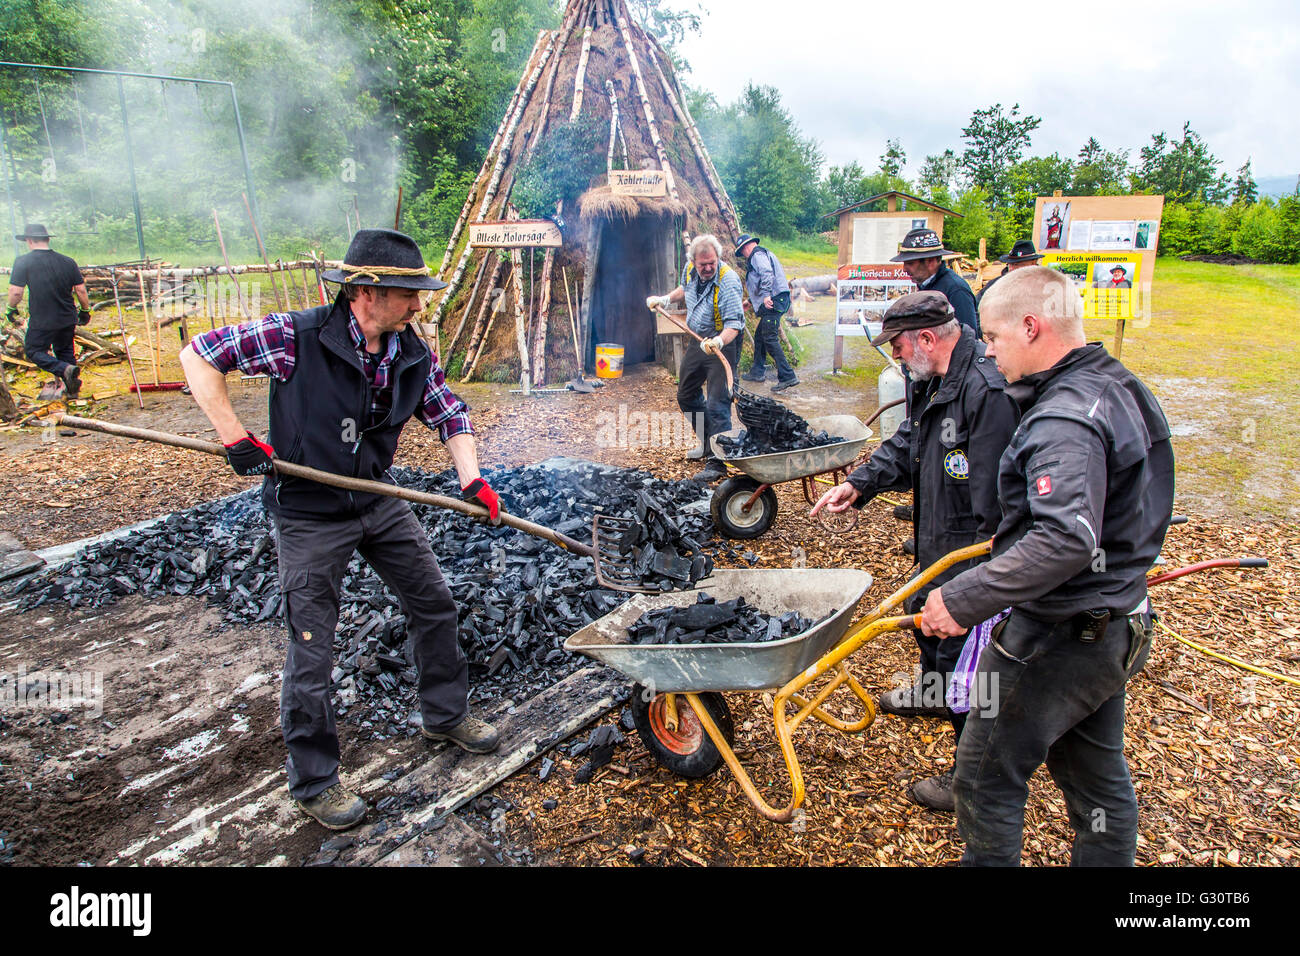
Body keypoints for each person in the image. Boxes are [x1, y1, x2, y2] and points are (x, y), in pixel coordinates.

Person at [179, 228, 502, 831]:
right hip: (308, 511)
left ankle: (444, 715)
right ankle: (315, 781)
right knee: (312, 646)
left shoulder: (409, 349)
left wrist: (472, 480)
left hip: (377, 502)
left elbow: (450, 412)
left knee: (433, 603)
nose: (419, 306)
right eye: (410, 295)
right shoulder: (294, 337)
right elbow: (198, 353)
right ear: (367, 291)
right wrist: (231, 432)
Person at [919, 266, 1174, 866]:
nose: (988, 350)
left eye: (996, 337)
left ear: (1032, 327)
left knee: (982, 780)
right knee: (1092, 774)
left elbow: (1065, 539)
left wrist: (963, 597)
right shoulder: (1116, 385)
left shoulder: (1065, 418)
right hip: (1116, 620)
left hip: (1060, 632)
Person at [811, 291, 1018, 810]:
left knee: (969, 663)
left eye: (899, 346)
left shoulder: (986, 392)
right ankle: (935, 695)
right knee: (925, 622)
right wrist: (858, 484)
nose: (896, 356)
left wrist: (978, 589)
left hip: (972, 554)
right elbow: (910, 443)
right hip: (940, 539)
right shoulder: (935, 380)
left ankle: (972, 778)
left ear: (926, 338)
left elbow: (998, 507)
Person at [646, 234, 744, 484]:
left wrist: (719, 341)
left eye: (712, 262)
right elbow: (685, 289)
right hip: (698, 340)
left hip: (723, 344)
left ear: (718, 258)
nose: (708, 268)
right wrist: (666, 299)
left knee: (717, 402)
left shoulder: (728, 281)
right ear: (694, 262)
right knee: (686, 394)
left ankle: (718, 461)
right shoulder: (690, 269)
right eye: (703, 265)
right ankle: (707, 441)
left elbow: (734, 324)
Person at [6, 224, 91, 399]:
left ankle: (64, 370)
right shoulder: (68, 261)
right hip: (67, 316)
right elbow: (81, 290)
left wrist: (11, 308)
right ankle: (72, 392)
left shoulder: (23, 262)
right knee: (65, 350)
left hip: (42, 318)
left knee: (34, 351)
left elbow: (16, 292)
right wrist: (84, 310)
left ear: (29, 241)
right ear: (48, 239)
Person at [734, 234, 798, 392]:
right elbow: (761, 279)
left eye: (742, 250)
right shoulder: (763, 254)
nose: (743, 254)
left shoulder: (757, 254)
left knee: (769, 338)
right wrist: (750, 300)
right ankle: (757, 371)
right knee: (760, 336)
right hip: (777, 298)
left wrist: (766, 295)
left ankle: (787, 376)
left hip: (774, 300)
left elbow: (767, 274)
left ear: (749, 246)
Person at [890, 228, 979, 335]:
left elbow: (968, 337)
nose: (904, 269)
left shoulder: (956, 290)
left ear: (931, 262)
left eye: (910, 263)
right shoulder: (925, 285)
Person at [975, 238, 1044, 308]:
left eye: (1017, 264)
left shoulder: (1044, 286)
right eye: (1010, 264)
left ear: (1033, 263)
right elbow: (975, 307)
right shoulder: (995, 285)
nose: (1011, 269)